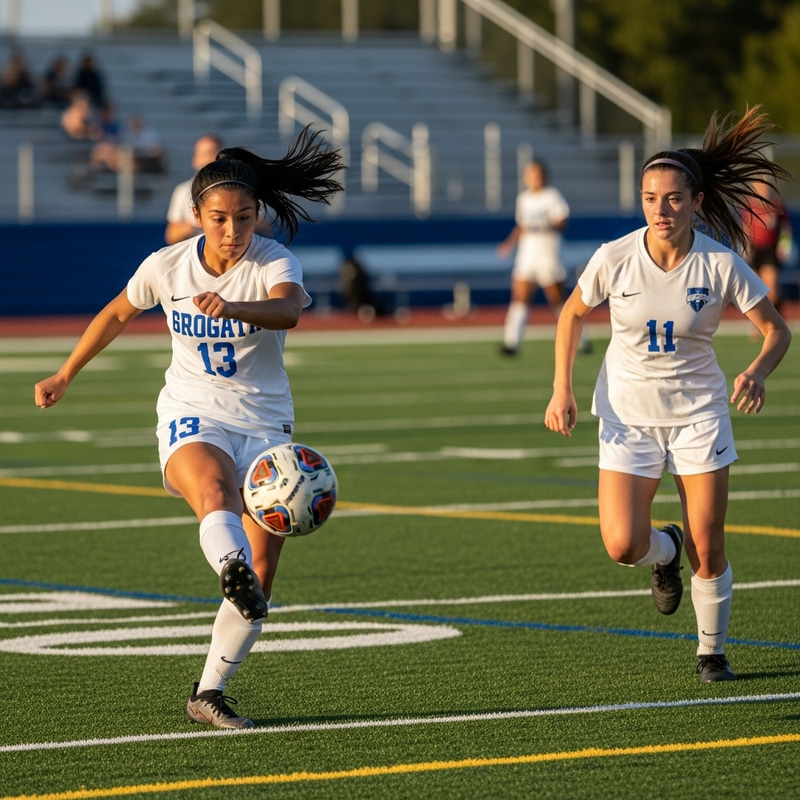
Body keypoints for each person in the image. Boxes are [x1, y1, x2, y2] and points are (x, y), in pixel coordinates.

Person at [34, 126, 345, 728]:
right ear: (195, 214)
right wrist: (65, 372)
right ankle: (229, 567)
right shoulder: (168, 265)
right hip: (191, 410)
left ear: (258, 216)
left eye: (245, 218)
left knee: (265, 572)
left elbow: (287, 310)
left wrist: (233, 306)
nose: (232, 232)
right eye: (220, 219)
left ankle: (210, 692)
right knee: (213, 493)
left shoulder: (273, 260)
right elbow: (119, 311)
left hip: (264, 423)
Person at [544, 106, 792, 683]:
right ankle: (664, 552)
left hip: (699, 416)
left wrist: (756, 371)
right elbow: (571, 313)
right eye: (650, 197)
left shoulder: (720, 264)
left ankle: (711, 651)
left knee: (711, 542)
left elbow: (777, 331)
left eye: (674, 198)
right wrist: (563, 390)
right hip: (627, 415)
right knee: (622, 543)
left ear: (697, 202)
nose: (661, 208)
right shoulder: (615, 256)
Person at [497, 160, 589, 355]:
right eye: (530, 174)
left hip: (549, 254)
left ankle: (581, 341)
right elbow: (521, 226)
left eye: (537, 174)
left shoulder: (552, 196)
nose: (534, 179)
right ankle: (511, 343)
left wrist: (544, 225)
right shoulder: (523, 199)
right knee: (519, 298)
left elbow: (562, 222)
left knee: (559, 301)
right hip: (527, 255)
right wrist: (508, 244)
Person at [741, 178, 793, 316]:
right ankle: (760, 322)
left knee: (771, 290)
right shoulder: (749, 206)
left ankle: (777, 318)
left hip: (769, 251)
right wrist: (745, 247)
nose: (763, 190)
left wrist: (784, 244)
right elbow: (745, 228)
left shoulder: (776, 205)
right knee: (755, 290)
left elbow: (785, 228)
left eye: (765, 187)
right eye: (759, 187)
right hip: (754, 251)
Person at [165, 134, 224, 244]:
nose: (208, 158)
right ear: (195, 159)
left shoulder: (239, 189)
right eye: (203, 154)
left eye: (213, 152)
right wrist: (194, 224)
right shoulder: (183, 191)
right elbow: (171, 236)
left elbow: (262, 226)